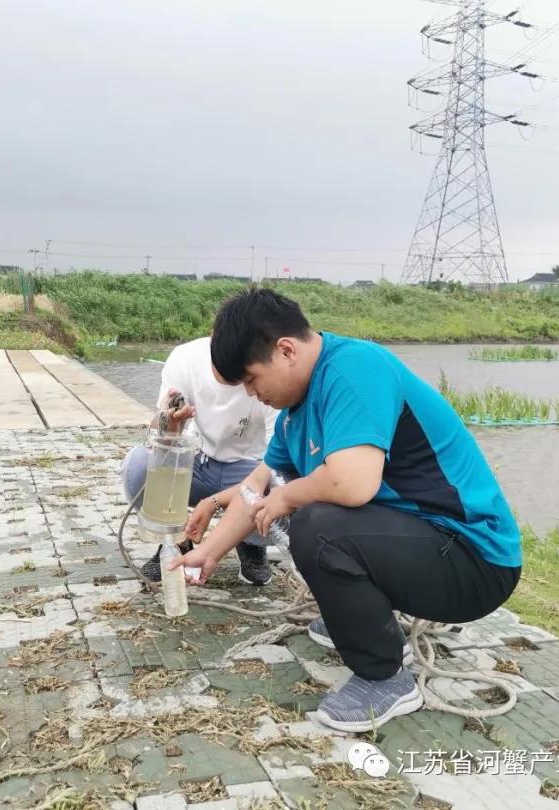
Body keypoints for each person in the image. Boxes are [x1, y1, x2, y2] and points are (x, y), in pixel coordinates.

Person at [170, 289, 522, 733]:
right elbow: (253, 489)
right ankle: (365, 621)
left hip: (475, 562)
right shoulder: (297, 412)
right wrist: (210, 552)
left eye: (253, 381)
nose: (254, 396)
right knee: (307, 512)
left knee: (318, 524)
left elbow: (353, 484)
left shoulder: (355, 369)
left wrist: (288, 495)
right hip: (428, 546)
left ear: (286, 350)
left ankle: (385, 677)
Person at [120, 336, 279, 585]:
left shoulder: (271, 374)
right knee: (139, 466)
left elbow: (276, 464)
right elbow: (158, 435)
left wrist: (213, 502)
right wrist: (170, 423)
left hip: (250, 467)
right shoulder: (186, 357)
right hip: (199, 460)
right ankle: (176, 542)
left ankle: (250, 543)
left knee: (279, 486)